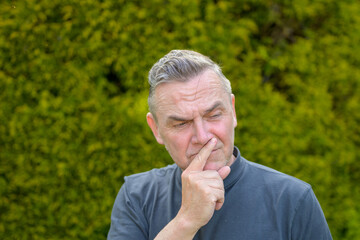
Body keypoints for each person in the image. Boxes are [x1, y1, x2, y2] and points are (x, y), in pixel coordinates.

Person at [107, 50, 332, 239]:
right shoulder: (136, 197)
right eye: (182, 123)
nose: (202, 136)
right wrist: (185, 222)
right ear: (156, 129)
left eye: (213, 115)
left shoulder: (293, 200)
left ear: (232, 111)